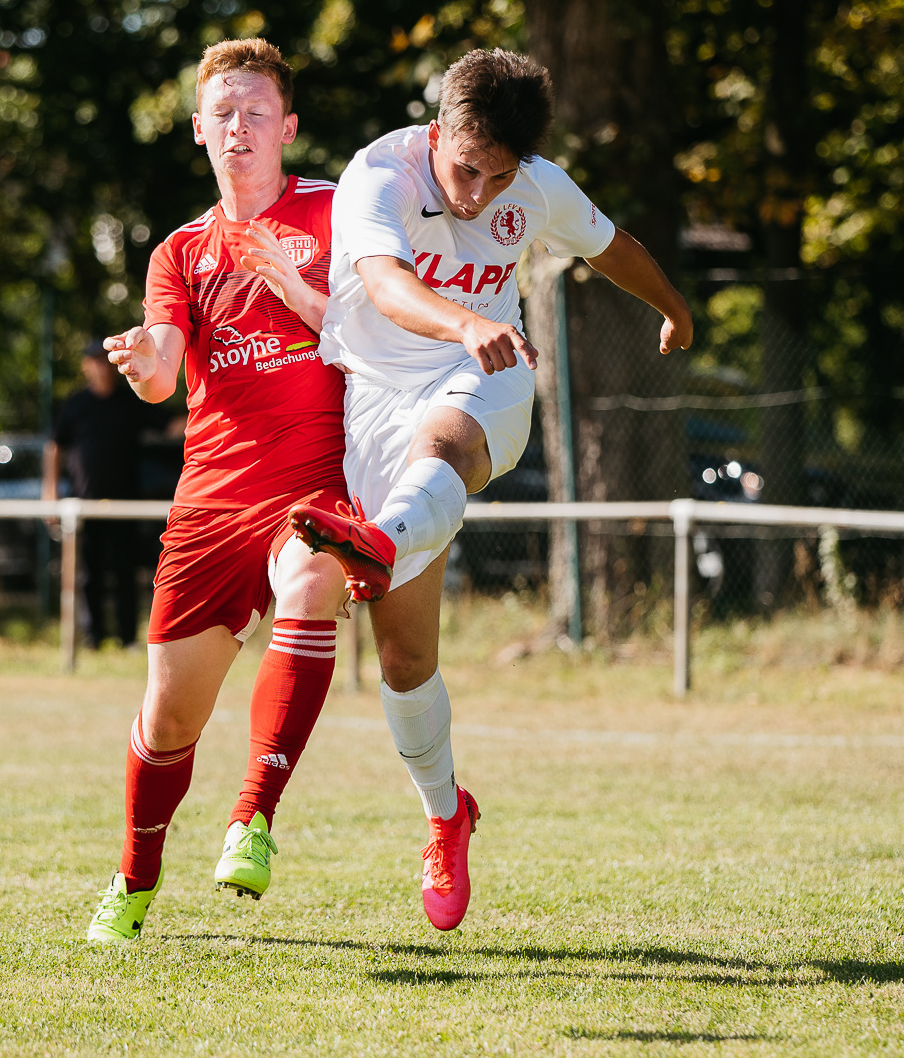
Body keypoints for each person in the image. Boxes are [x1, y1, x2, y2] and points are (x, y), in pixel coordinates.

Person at [289, 49, 693, 931]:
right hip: (381, 402)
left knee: (450, 439)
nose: (477, 194)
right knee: (404, 658)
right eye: (466, 169)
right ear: (437, 136)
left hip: (491, 377)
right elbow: (387, 286)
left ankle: (385, 538)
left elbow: (610, 244)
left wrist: (673, 306)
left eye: (497, 177)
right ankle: (445, 814)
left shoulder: (534, 184)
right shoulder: (376, 175)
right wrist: (463, 319)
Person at [84, 39, 354, 944]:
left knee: (314, 578)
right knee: (167, 722)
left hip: (312, 483)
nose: (240, 127)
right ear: (199, 130)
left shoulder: (337, 215)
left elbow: (386, 319)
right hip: (210, 503)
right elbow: (162, 373)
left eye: (256, 112)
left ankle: (253, 820)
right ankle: (132, 879)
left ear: (289, 127)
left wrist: (309, 297)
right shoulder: (180, 251)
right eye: (223, 113)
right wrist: (143, 360)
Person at [43, 342, 169, 648]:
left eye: (104, 361)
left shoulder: (130, 402)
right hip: (84, 503)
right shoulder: (75, 405)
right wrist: (50, 492)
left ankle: (128, 638)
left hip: (126, 503)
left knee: (125, 571)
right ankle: (93, 637)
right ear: (86, 366)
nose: (100, 367)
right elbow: (55, 446)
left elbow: (169, 425)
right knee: (90, 574)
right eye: (94, 362)